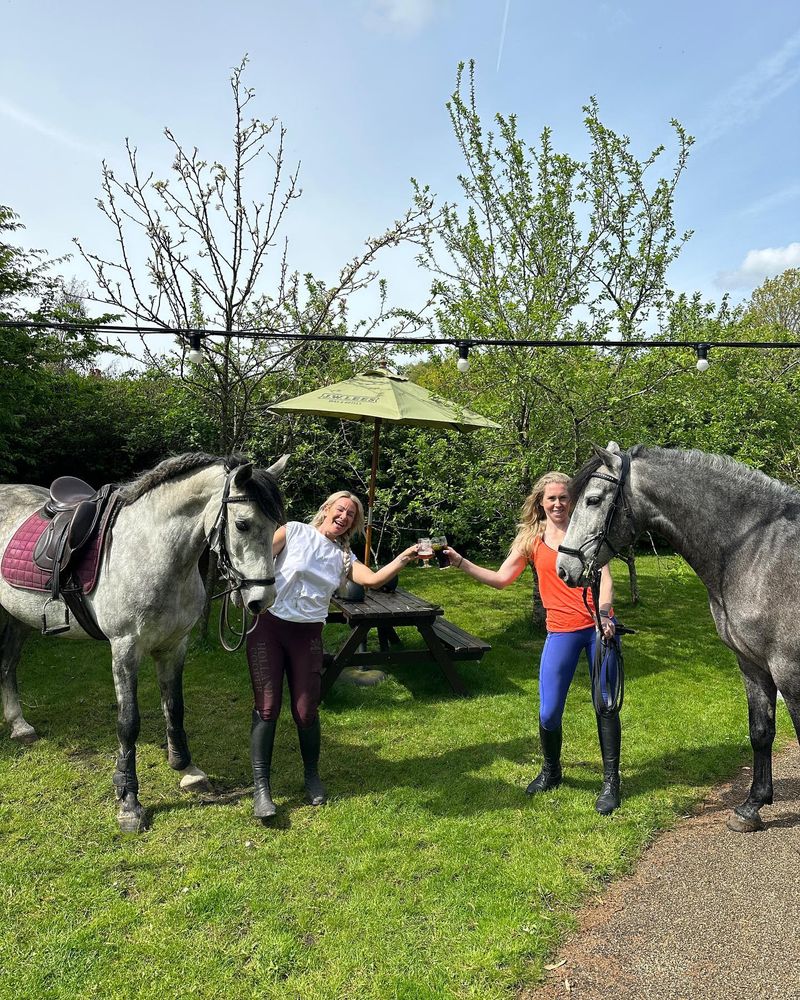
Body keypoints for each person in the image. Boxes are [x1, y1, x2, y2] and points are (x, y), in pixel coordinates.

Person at [445, 472, 622, 815]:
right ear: (541, 502)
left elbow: (606, 579)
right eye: (551, 498)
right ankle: (552, 770)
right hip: (561, 631)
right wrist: (461, 562)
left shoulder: (588, 530)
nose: (558, 504)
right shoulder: (531, 539)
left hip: (598, 629)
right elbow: (500, 579)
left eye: (564, 498)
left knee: (606, 704)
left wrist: (605, 617)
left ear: (573, 500)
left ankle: (611, 782)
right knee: (549, 710)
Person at [247, 490, 418, 821]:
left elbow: (373, 580)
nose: (344, 517)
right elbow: (256, 559)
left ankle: (311, 776)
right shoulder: (294, 530)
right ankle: (262, 790)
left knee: (306, 710)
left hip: (307, 634)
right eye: (341, 510)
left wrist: (403, 559)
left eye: (351, 515)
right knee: (267, 707)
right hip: (268, 628)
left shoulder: (344, 558)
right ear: (326, 509)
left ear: (353, 524)